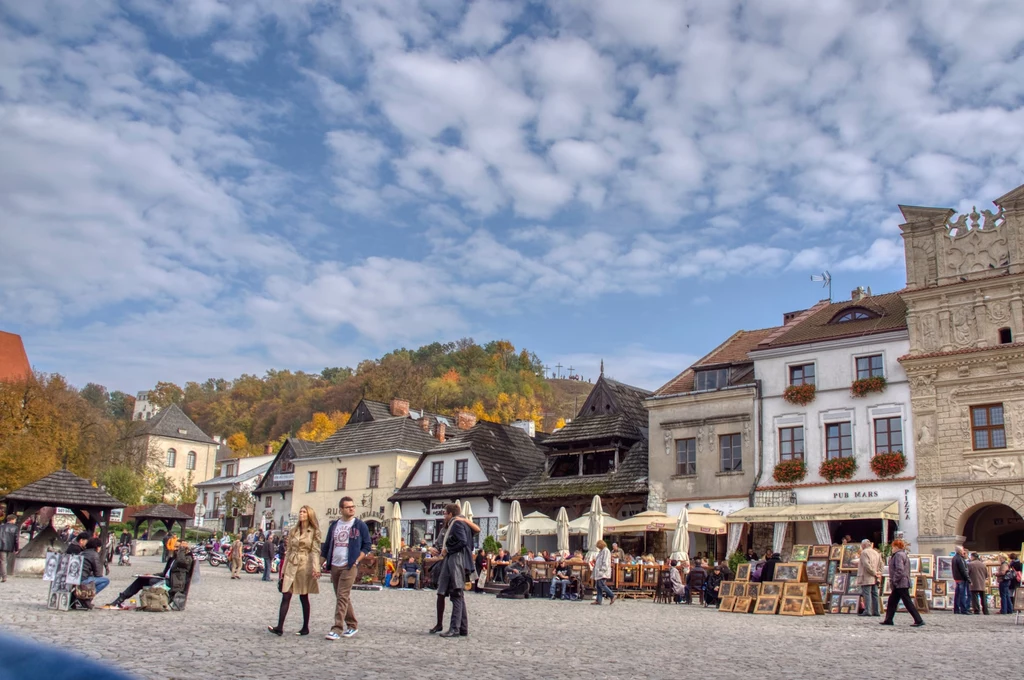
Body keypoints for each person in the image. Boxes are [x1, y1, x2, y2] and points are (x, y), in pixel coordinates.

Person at [321, 496, 372, 641]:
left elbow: (367, 545)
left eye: (353, 506)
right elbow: (326, 547)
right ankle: (352, 625)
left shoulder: (359, 525)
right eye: (348, 507)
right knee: (341, 596)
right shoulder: (334, 525)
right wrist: (319, 565)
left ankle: (337, 628)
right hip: (335, 565)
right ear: (341, 509)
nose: (352, 509)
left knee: (342, 596)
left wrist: (357, 560)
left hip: (349, 565)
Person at [267, 506, 321, 636]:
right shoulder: (294, 530)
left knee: (303, 596)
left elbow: (315, 550)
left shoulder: (314, 531)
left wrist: (316, 567)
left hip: (305, 564)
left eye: (304, 512)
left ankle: (305, 627)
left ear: (309, 515)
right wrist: (283, 570)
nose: (301, 514)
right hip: (292, 562)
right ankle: (279, 627)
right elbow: (289, 549)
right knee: (286, 594)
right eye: (300, 512)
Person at [104, 544, 195, 609]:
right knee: (141, 580)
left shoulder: (187, 559)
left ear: (184, 549)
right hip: (165, 579)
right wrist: (151, 575)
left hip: (173, 583)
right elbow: (164, 573)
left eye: (177, 547)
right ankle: (120, 599)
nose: (174, 549)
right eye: (175, 547)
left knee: (152, 581)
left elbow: (181, 562)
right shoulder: (173, 559)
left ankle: (153, 601)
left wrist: (182, 550)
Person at [437, 503, 476, 638]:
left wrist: (448, 549)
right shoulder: (463, 523)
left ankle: (455, 628)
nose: (444, 516)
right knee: (459, 595)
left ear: (450, 514)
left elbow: (463, 541)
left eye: (445, 514)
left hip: (456, 561)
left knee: (456, 593)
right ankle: (463, 627)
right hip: (459, 560)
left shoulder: (457, 524)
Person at [879, 539, 924, 627]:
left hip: (900, 583)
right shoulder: (903, 554)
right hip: (901, 582)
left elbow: (900, 569)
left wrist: (894, 580)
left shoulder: (899, 555)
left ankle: (918, 620)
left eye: (893, 547)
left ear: (896, 547)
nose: (892, 549)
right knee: (892, 601)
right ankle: (888, 619)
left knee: (907, 602)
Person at [75, 538, 109, 608]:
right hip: (83, 579)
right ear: (97, 547)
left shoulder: (82, 552)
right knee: (105, 581)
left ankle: (84, 598)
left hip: (74, 578)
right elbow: (98, 574)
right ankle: (87, 597)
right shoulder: (94, 555)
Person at [855, 539, 882, 617]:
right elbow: (881, 564)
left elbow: (866, 564)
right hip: (875, 576)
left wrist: (873, 572)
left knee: (867, 594)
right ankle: (876, 611)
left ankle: (868, 611)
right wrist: (878, 573)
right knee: (875, 594)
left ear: (863, 545)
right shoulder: (876, 552)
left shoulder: (864, 552)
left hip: (866, 576)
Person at [588, 539, 615, 606]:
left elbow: (605, 561)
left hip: (603, 571)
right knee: (598, 586)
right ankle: (598, 600)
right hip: (599, 571)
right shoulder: (601, 551)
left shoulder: (606, 551)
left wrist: (602, 569)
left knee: (601, 585)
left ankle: (612, 595)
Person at [0, 514, 19, 583]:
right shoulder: (15, 528)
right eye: (15, 520)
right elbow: (16, 539)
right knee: (3, 562)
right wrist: (16, 549)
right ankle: (4, 576)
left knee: (2, 561)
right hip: (8, 547)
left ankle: (2, 575)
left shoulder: (1, 526)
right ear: (12, 520)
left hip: (1, 546)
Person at [952, 546, 971, 614]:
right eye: (963, 550)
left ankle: (956, 609)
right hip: (961, 578)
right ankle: (963, 609)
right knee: (962, 594)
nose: (963, 551)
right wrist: (968, 579)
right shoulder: (960, 559)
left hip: (957, 578)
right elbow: (963, 570)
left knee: (957, 594)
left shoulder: (954, 558)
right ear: (960, 551)